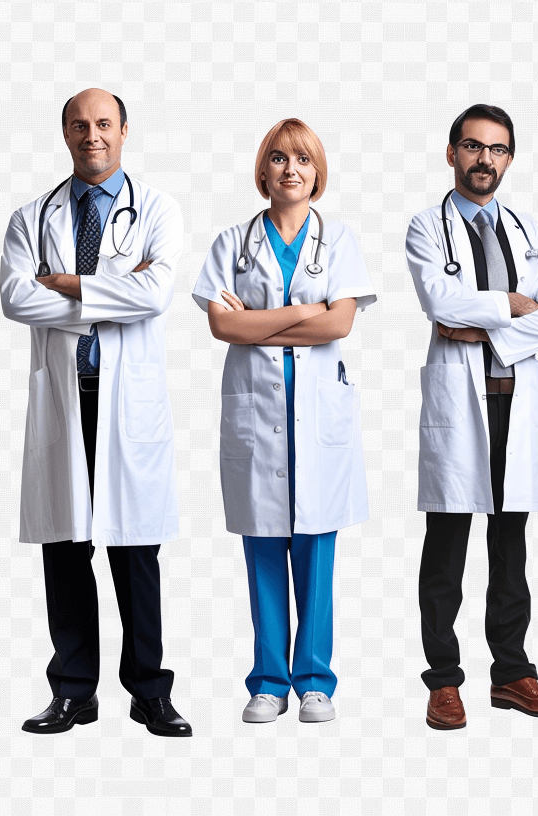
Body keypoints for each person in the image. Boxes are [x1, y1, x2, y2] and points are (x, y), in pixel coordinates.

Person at [0, 88, 191, 737]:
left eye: (103, 123)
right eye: (80, 125)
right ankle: (73, 691)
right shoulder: (32, 217)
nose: (92, 135)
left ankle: (149, 691)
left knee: (136, 549)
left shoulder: (158, 209)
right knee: (65, 546)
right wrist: (115, 289)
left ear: (125, 130)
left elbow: (156, 293)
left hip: (126, 401)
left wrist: (71, 283)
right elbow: (15, 300)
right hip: (64, 396)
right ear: (64, 132)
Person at [191, 119, 375, 724]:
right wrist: (304, 311)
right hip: (257, 415)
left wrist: (261, 320)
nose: (289, 169)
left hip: (319, 419)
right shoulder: (230, 243)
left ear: (317, 172)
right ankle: (269, 680)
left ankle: (315, 680)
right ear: (261, 171)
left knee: (317, 550)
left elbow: (338, 325)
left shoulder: (339, 240)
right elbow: (223, 327)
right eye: (277, 158)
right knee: (264, 549)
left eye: (301, 159)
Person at [404, 104, 538, 731]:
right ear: (452, 153)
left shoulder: (528, 231)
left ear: (509, 159)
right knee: (446, 551)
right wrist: (514, 305)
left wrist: (488, 328)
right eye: (473, 147)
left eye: (498, 150)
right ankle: (444, 682)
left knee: (511, 549)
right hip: (458, 403)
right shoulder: (427, 226)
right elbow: (440, 302)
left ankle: (513, 675)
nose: (485, 160)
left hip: (513, 402)